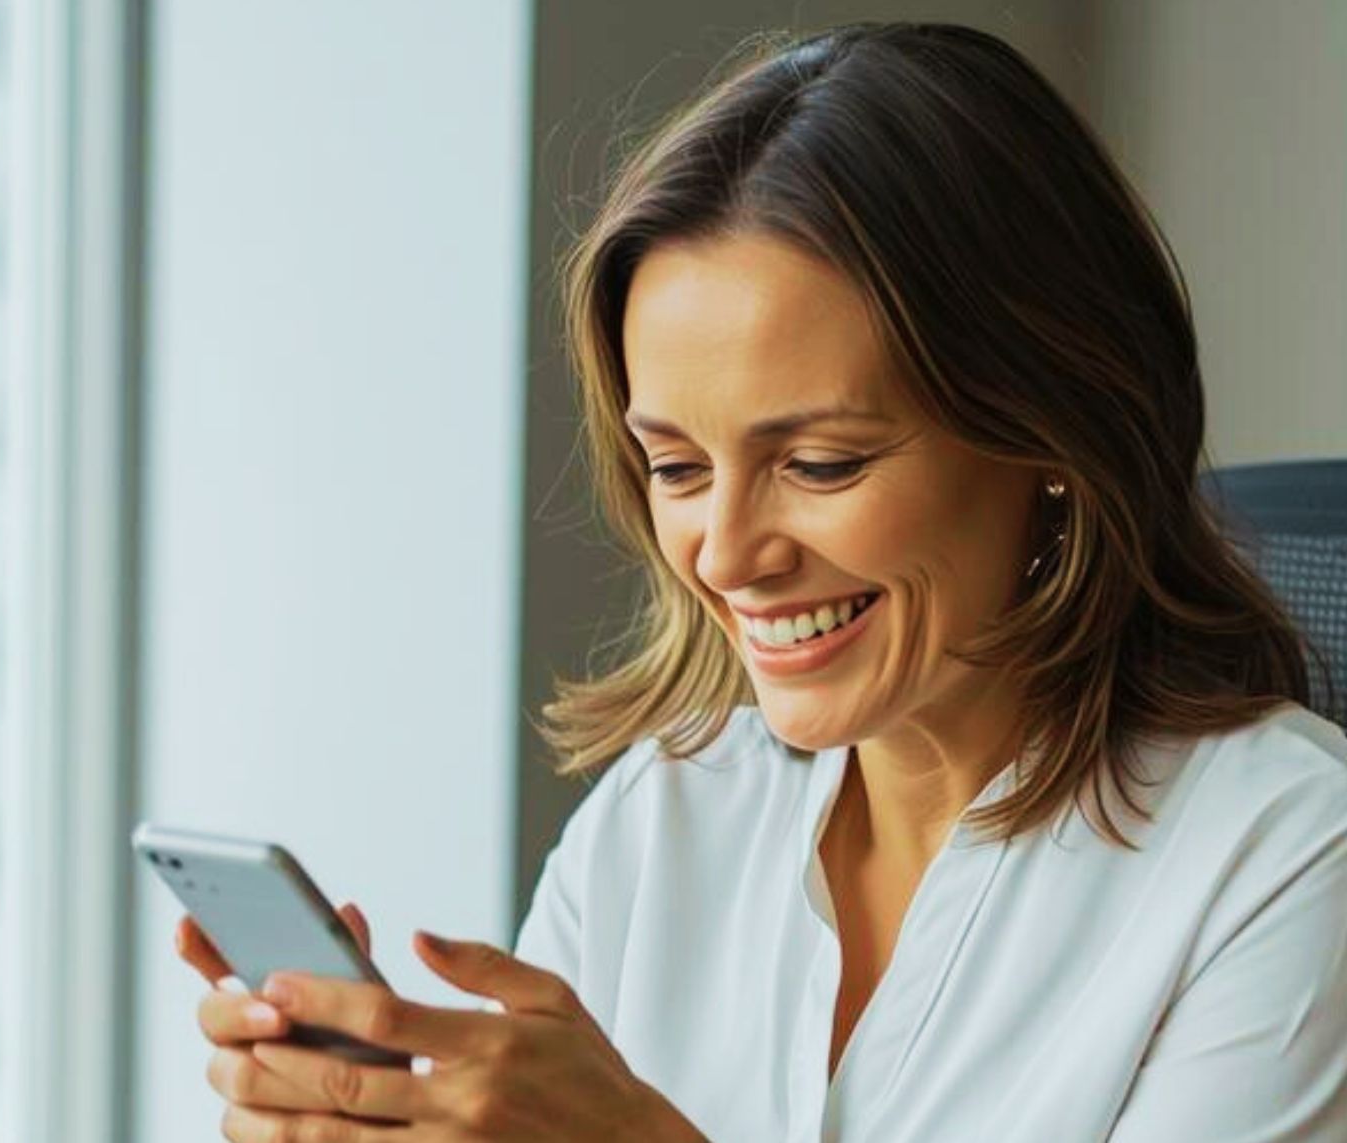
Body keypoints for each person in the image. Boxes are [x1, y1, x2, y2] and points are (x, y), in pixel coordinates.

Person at [174, 21, 1347, 1141]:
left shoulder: (1284, 856)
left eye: (818, 463)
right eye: (676, 466)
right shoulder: (663, 819)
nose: (726, 556)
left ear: (1052, 439)